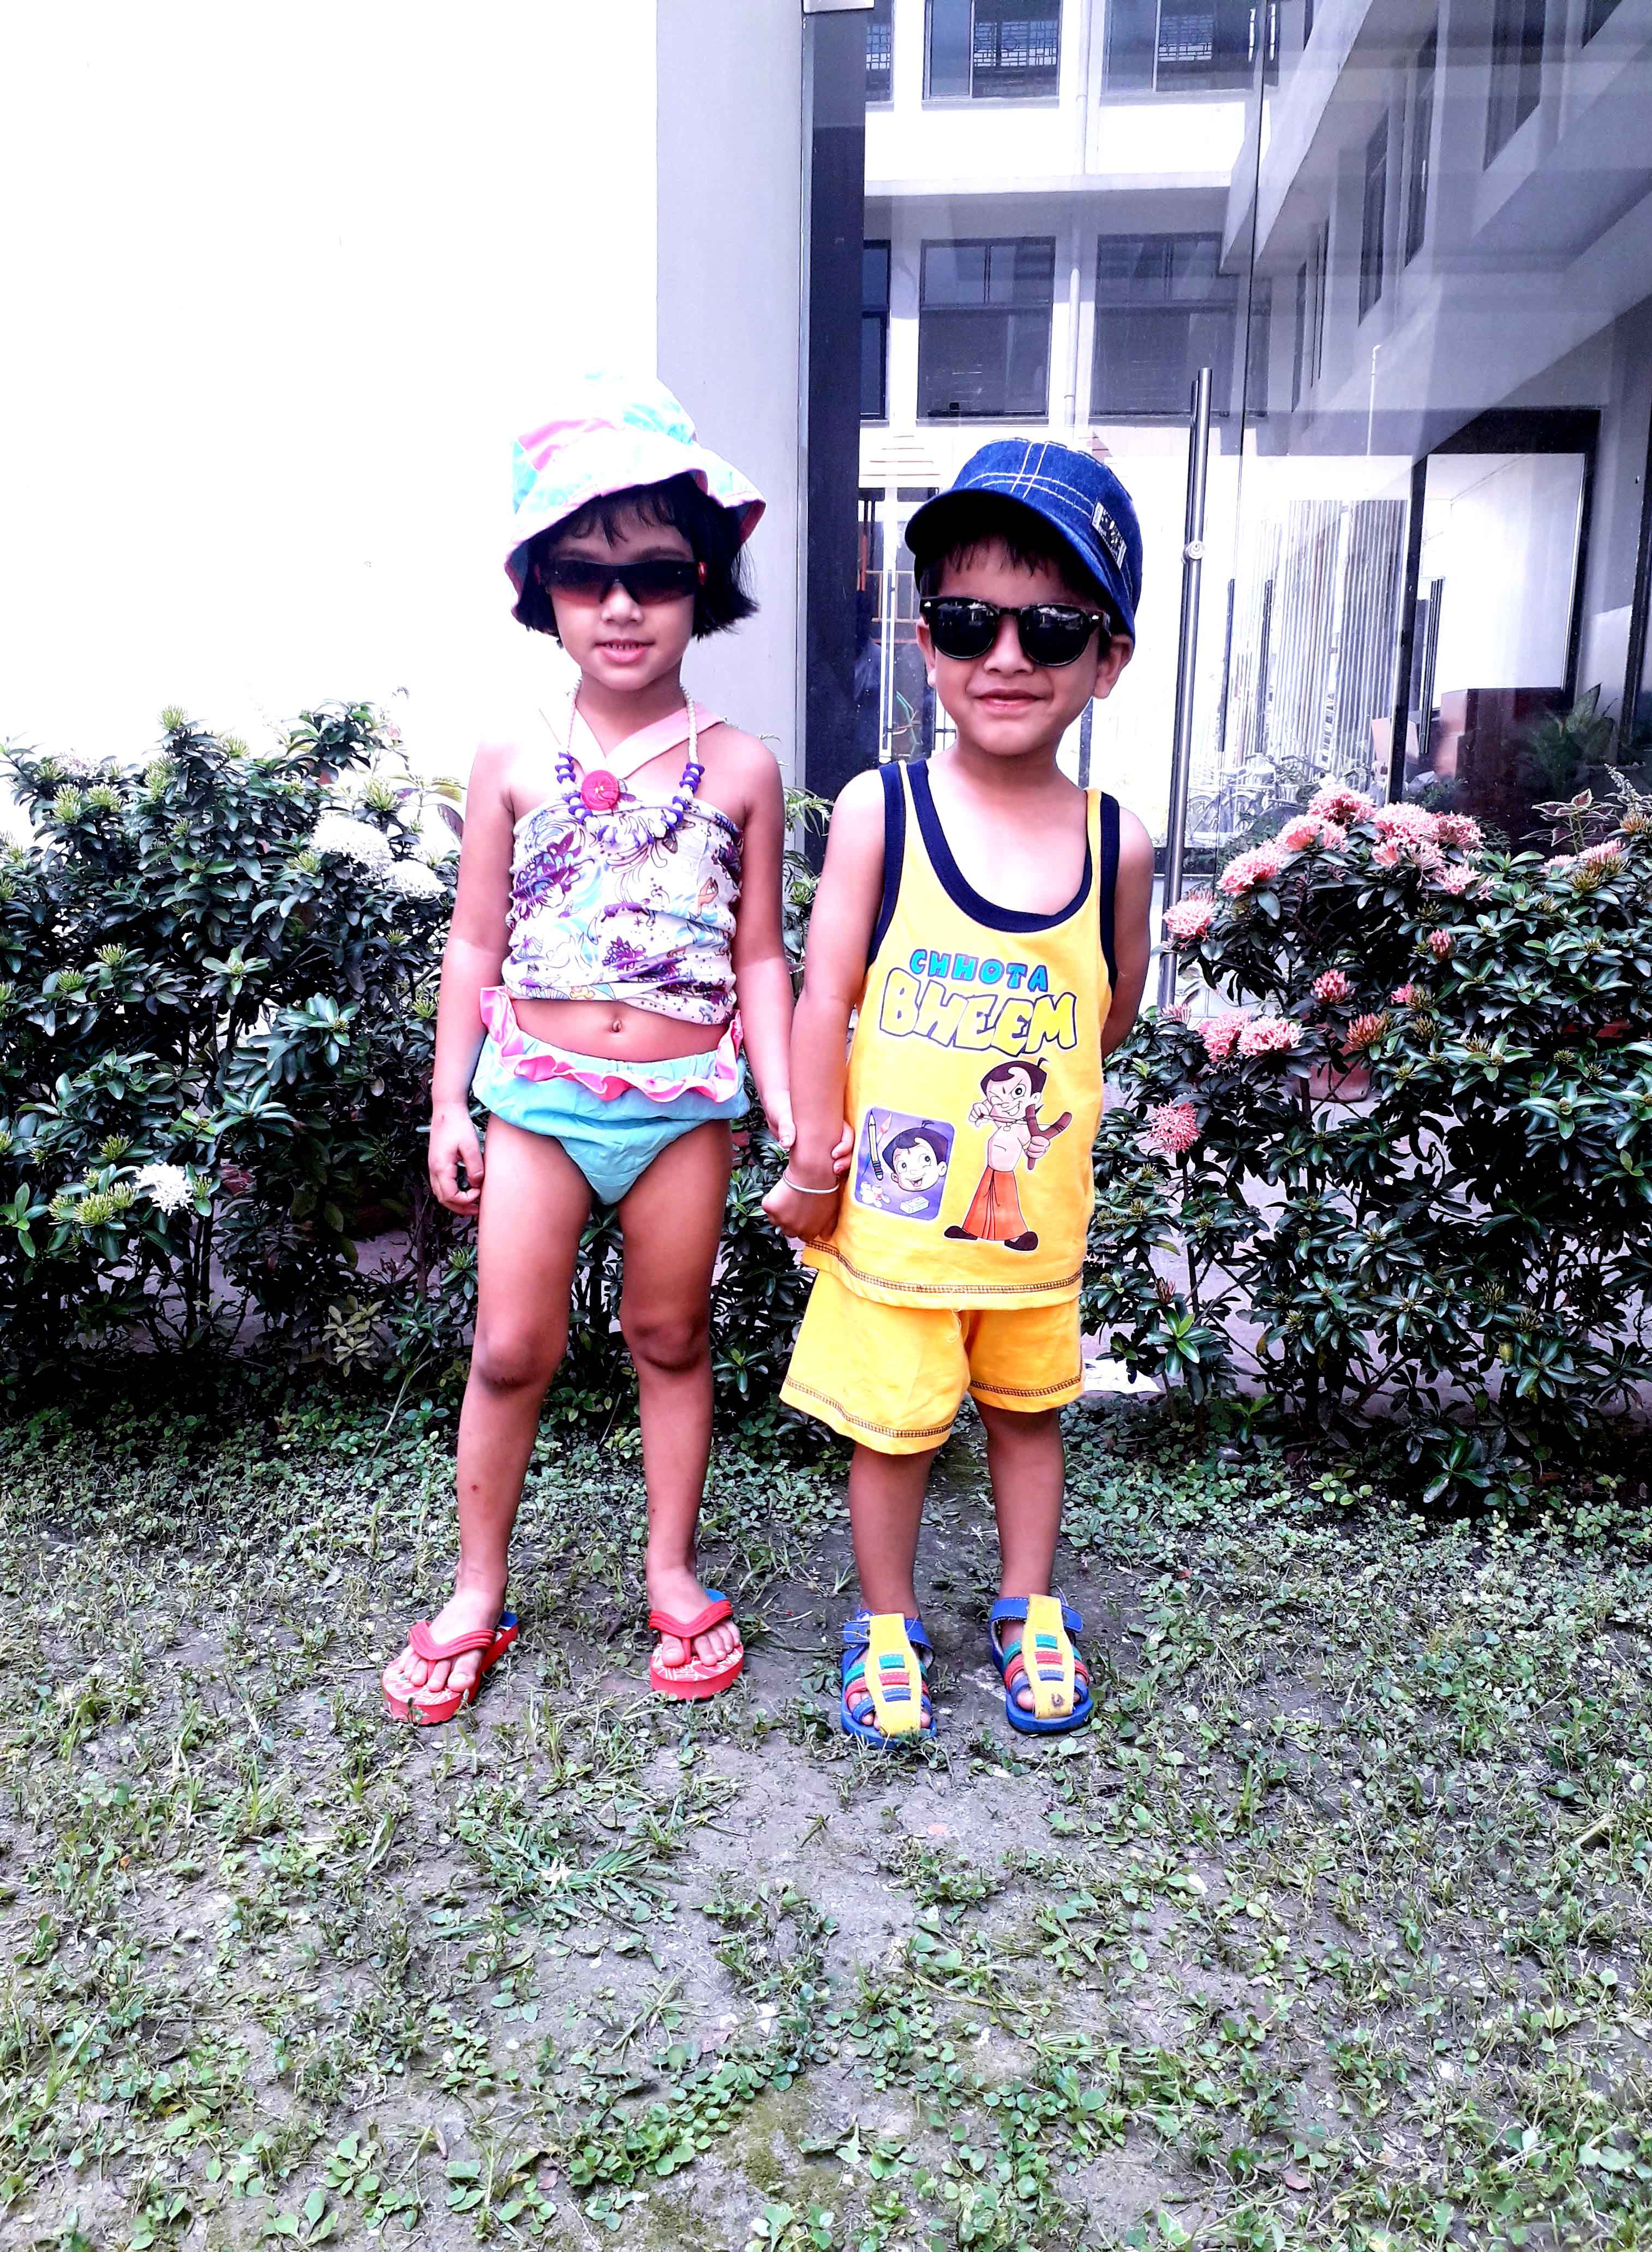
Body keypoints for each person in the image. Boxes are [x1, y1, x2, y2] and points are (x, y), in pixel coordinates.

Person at [384, 374, 810, 1723]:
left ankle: (671, 1572)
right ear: (542, 591)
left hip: (686, 1105)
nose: (622, 605)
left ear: (704, 583)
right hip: (537, 1098)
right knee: (511, 1347)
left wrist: (787, 1104)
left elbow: (761, 957)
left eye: (656, 575)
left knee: (670, 1335)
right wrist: (449, 1107)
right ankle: (476, 1586)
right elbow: (474, 942)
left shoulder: (742, 768)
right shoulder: (512, 756)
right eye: (586, 574)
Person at [763, 439, 1154, 1744]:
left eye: (1053, 628)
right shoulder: (882, 812)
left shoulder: (1116, 843)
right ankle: (887, 1622)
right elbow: (823, 994)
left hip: (1033, 1234)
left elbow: (1108, 1010)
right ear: (926, 640)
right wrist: (815, 1156)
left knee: (1030, 1418)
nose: (1009, 657)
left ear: (1108, 659)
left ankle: (1028, 1605)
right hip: (893, 1224)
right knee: (894, 1433)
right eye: (972, 621)